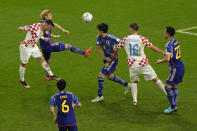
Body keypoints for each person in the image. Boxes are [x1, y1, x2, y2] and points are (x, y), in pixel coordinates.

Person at [114, 23, 167, 106]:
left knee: (134, 82)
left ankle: (135, 101)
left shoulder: (125, 39)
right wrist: (162, 52)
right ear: (137, 30)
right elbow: (152, 47)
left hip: (132, 65)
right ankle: (168, 94)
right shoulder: (142, 38)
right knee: (156, 79)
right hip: (143, 64)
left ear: (131, 29)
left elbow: (117, 48)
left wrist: (114, 56)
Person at [39, 10, 92, 81]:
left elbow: (46, 32)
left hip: (44, 47)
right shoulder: (44, 24)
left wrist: (55, 35)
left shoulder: (45, 23)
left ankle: (47, 77)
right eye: (50, 15)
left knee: (47, 61)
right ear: (46, 17)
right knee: (68, 46)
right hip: (49, 45)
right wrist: (63, 30)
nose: (52, 16)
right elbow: (43, 32)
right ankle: (84, 53)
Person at [91, 23, 132, 103]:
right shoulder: (98, 37)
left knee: (101, 75)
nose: (97, 31)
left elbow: (122, 43)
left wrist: (115, 52)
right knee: (110, 76)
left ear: (101, 31)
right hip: (106, 59)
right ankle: (128, 85)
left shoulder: (111, 37)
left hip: (113, 59)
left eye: (98, 30)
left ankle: (100, 96)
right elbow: (98, 48)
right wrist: (104, 57)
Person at [18, 20, 60, 88]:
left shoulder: (42, 28)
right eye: (49, 28)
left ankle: (51, 75)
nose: (49, 29)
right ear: (46, 25)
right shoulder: (35, 26)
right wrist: (21, 28)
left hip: (33, 46)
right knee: (24, 64)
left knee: (42, 59)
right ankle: (22, 80)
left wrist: (43, 38)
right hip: (26, 47)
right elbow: (27, 27)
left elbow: (38, 35)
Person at [157, 26, 185, 114]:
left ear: (168, 34)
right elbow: (173, 55)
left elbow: (168, 58)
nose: (164, 33)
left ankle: (173, 106)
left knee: (168, 87)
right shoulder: (176, 41)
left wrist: (160, 61)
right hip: (180, 66)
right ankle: (174, 105)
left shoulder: (168, 45)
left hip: (175, 69)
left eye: (165, 32)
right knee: (174, 85)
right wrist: (169, 61)